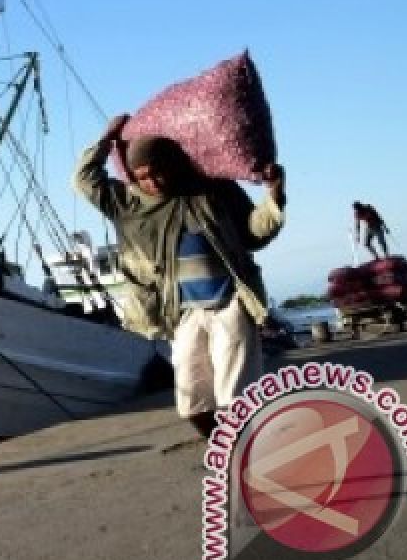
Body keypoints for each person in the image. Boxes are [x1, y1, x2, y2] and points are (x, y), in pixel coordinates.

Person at [74, 115, 286, 438]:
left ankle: (239, 453)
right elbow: (84, 179)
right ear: (133, 177)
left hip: (230, 304)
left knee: (235, 396)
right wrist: (107, 138)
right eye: (143, 177)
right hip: (182, 312)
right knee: (192, 401)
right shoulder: (127, 205)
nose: (153, 182)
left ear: (172, 163)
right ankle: (224, 443)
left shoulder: (213, 191)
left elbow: (253, 233)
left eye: (157, 171)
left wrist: (274, 196)